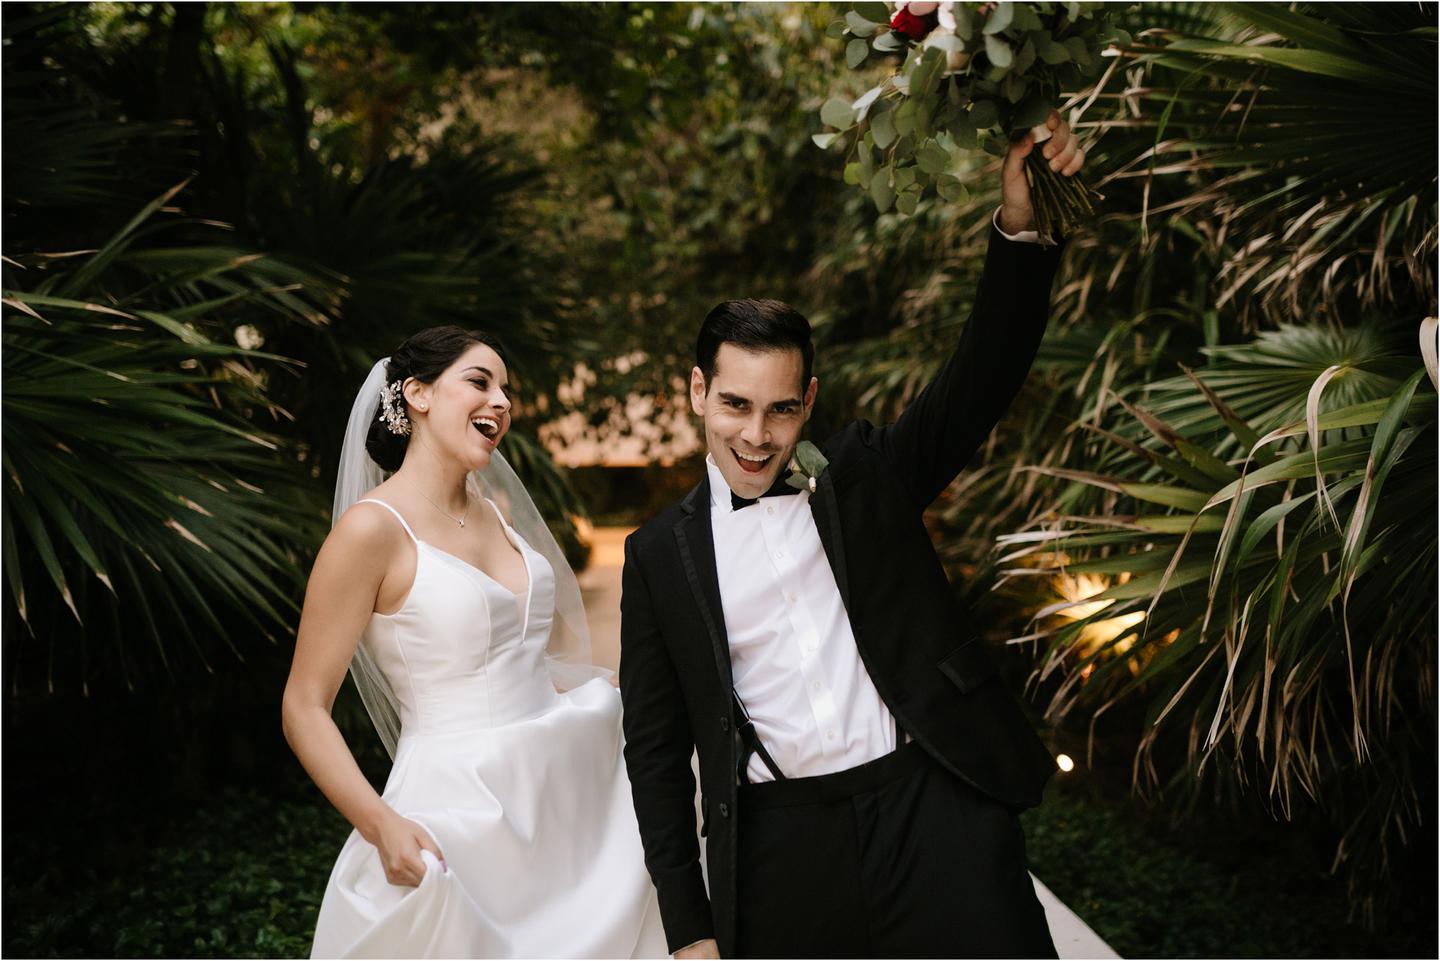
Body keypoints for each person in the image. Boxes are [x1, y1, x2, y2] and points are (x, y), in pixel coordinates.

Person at [617, 113, 1084, 958]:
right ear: (696, 391)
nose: (757, 434)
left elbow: (983, 373)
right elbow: (654, 754)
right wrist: (689, 929)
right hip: (781, 846)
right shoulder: (657, 556)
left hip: (931, 812)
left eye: (781, 408)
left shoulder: (866, 478)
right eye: (735, 404)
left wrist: (1020, 225)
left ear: (810, 399)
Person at [282, 326, 667, 958]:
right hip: (461, 810)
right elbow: (303, 704)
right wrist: (380, 825)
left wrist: (617, 689)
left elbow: (525, 657)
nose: (502, 402)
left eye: (506, 390)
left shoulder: (497, 514)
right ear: (419, 395)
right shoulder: (370, 533)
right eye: (480, 381)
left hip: (567, 788)